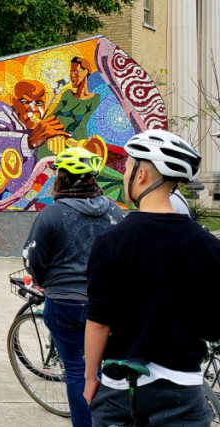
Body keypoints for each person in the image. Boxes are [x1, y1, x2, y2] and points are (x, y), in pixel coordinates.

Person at [83, 129, 220, 426]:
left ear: (142, 175)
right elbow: (212, 326)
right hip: (185, 392)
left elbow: (98, 323)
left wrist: (90, 376)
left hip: (121, 391)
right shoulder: (209, 246)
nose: (124, 176)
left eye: (128, 167)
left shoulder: (111, 243)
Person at [21, 147, 122, 427]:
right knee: (108, 367)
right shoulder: (114, 211)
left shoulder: (52, 214)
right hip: (108, 302)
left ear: (63, 179)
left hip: (66, 302)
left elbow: (32, 257)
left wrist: (42, 281)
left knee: (78, 370)